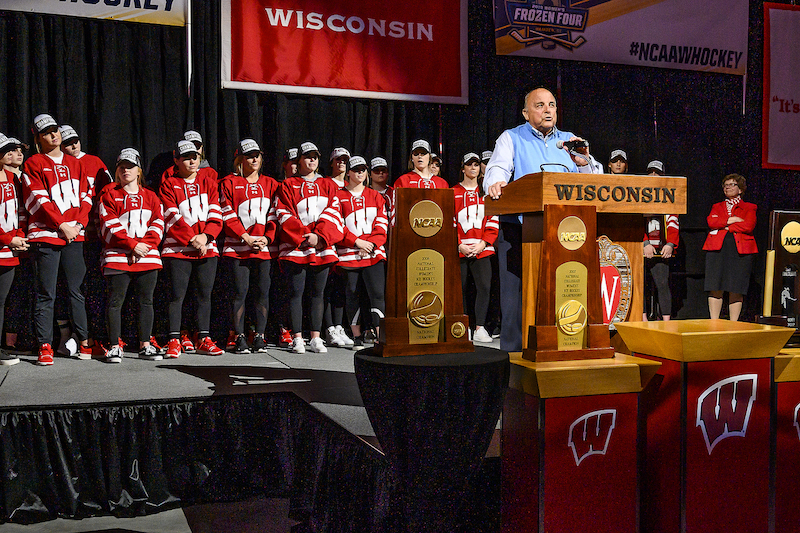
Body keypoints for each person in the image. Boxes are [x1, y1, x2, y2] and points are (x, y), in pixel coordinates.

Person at [483, 87, 601, 352]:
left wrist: (583, 162)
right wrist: (497, 182)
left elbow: (594, 177)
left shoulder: (571, 140)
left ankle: (565, 346)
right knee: (516, 299)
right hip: (520, 229)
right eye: (540, 105)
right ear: (526, 113)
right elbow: (498, 168)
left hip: (565, 232)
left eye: (551, 105)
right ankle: (513, 357)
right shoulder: (511, 137)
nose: (547, 110)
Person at [21, 114, 102, 365]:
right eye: (46, 132)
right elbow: (36, 197)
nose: (53, 135)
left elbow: (87, 196)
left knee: (76, 291)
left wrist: (77, 225)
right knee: (47, 293)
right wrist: (61, 224)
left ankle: (84, 342)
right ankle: (44, 345)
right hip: (47, 237)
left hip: (74, 236)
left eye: (55, 130)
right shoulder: (34, 163)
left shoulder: (76, 163)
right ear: (38, 138)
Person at [275, 142, 344, 354]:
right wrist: (305, 236)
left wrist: (319, 236)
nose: (312, 160)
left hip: (321, 247)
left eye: (315, 156)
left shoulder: (328, 184)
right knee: (296, 293)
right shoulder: (287, 185)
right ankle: (297, 337)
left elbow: (334, 212)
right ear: (299, 160)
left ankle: (315, 336)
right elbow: (283, 213)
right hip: (297, 248)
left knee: (318, 294)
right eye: (307, 156)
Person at [98, 148, 164, 362]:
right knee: (115, 301)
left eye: (130, 166)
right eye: (121, 167)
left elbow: (158, 223)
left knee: (146, 302)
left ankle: (145, 344)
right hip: (118, 258)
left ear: (138, 170)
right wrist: (131, 246)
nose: (125, 170)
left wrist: (142, 246)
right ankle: (115, 346)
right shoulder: (109, 195)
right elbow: (109, 225)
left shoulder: (151, 196)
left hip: (147, 257)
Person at [159, 140, 224, 357]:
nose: (192, 160)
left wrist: (205, 237)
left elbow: (216, 214)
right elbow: (170, 216)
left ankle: (204, 338)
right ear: (176, 160)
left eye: (195, 156)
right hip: (178, 250)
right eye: (186, 157)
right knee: (177, 296)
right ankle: (174, 339)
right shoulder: (168, 184)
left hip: (207, 247)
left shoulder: (208, 182)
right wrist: (192, 239)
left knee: (204, 295)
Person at [219, 139, 279, 353]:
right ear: (240, 160)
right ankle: (239, 336)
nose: (254, 159)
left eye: (257, 155)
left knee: (262, 291)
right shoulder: (228, 182)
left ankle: (260, 336)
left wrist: (267, 238)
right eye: (249, 155)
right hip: (236, 248)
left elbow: (274, 214)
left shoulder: (271, 183)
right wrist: (245, 237)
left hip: (263, 248)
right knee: (239, 292)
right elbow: (227, 213)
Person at [58, 125, 114, 353]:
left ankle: (94, 336)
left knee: (91, 289)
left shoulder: (94, 162)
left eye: (76, 140)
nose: (73, 145)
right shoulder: (55, 164)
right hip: (66, 236)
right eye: (68, 142)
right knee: (65, 288)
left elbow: (109, 193)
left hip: (91, 237)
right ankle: (69, 336)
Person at [336, 156, 387, 348]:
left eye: (363, 169)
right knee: (352, 294)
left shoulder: (375, 196)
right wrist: (357, 242)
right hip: (349, 255)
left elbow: (382, 225)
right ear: (348, 172)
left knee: (377, 294)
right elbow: (336, 225)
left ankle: (380, 337)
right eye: (356, 169)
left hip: (373, 255)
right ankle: (357, 336)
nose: (360, 173)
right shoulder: (338, 196)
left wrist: (371, 245)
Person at [454, 153, 499, 343]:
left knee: (484, 287)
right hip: (459, 249)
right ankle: (463, 328)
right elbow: (449, 221)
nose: (472, 168)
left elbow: (493, 219)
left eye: (475, 164)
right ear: (462, 168)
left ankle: (480, 327)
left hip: (482, 249)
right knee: (460, 289)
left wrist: (483, 243)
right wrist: (458, 244)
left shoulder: (487, 193)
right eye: (468, 165)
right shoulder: (452, 192)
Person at [703, 173, 757, 321]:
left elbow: (748, 225)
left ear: (740, 189)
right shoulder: (717, 206)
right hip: (717, 250)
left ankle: (733, 323)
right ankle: (714, 322)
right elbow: (711, 222)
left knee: (736, 287)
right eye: (725, 185)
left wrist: (726, 227)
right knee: (715, 286)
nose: (727, 187)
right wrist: (731, 220)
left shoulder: (749, 207)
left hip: (739, 251)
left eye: (731, 184)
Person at [0, 134, 28, 366]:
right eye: (7, 150)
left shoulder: (12, 179)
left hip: (9, 251)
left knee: (2, 301)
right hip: (5, 244)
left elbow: (19, 212)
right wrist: (8, 239)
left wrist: (18, 236)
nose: (10, 154)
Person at [642, 160, 678, 321]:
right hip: (643, 248)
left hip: (661, 249)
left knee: (662, 284)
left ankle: (666, 321)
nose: (654, 176)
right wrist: (644, 243)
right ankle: (642, 318)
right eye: (651, 172)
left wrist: (670, 244)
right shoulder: (639, 194)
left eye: (657, 173)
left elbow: (673, 222)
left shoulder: (669, 195)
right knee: (640, 285)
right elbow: (636, 223)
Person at [323, 147, 352, 347]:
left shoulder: (351, 185)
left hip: (347, 245)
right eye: (338, 160)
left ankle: (339, 326)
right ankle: (329, 328)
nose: (341, 163)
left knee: (341, 289)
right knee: (326, 288)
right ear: (332, 162)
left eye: (344, 160)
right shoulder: (325, 183)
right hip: (329, 243)